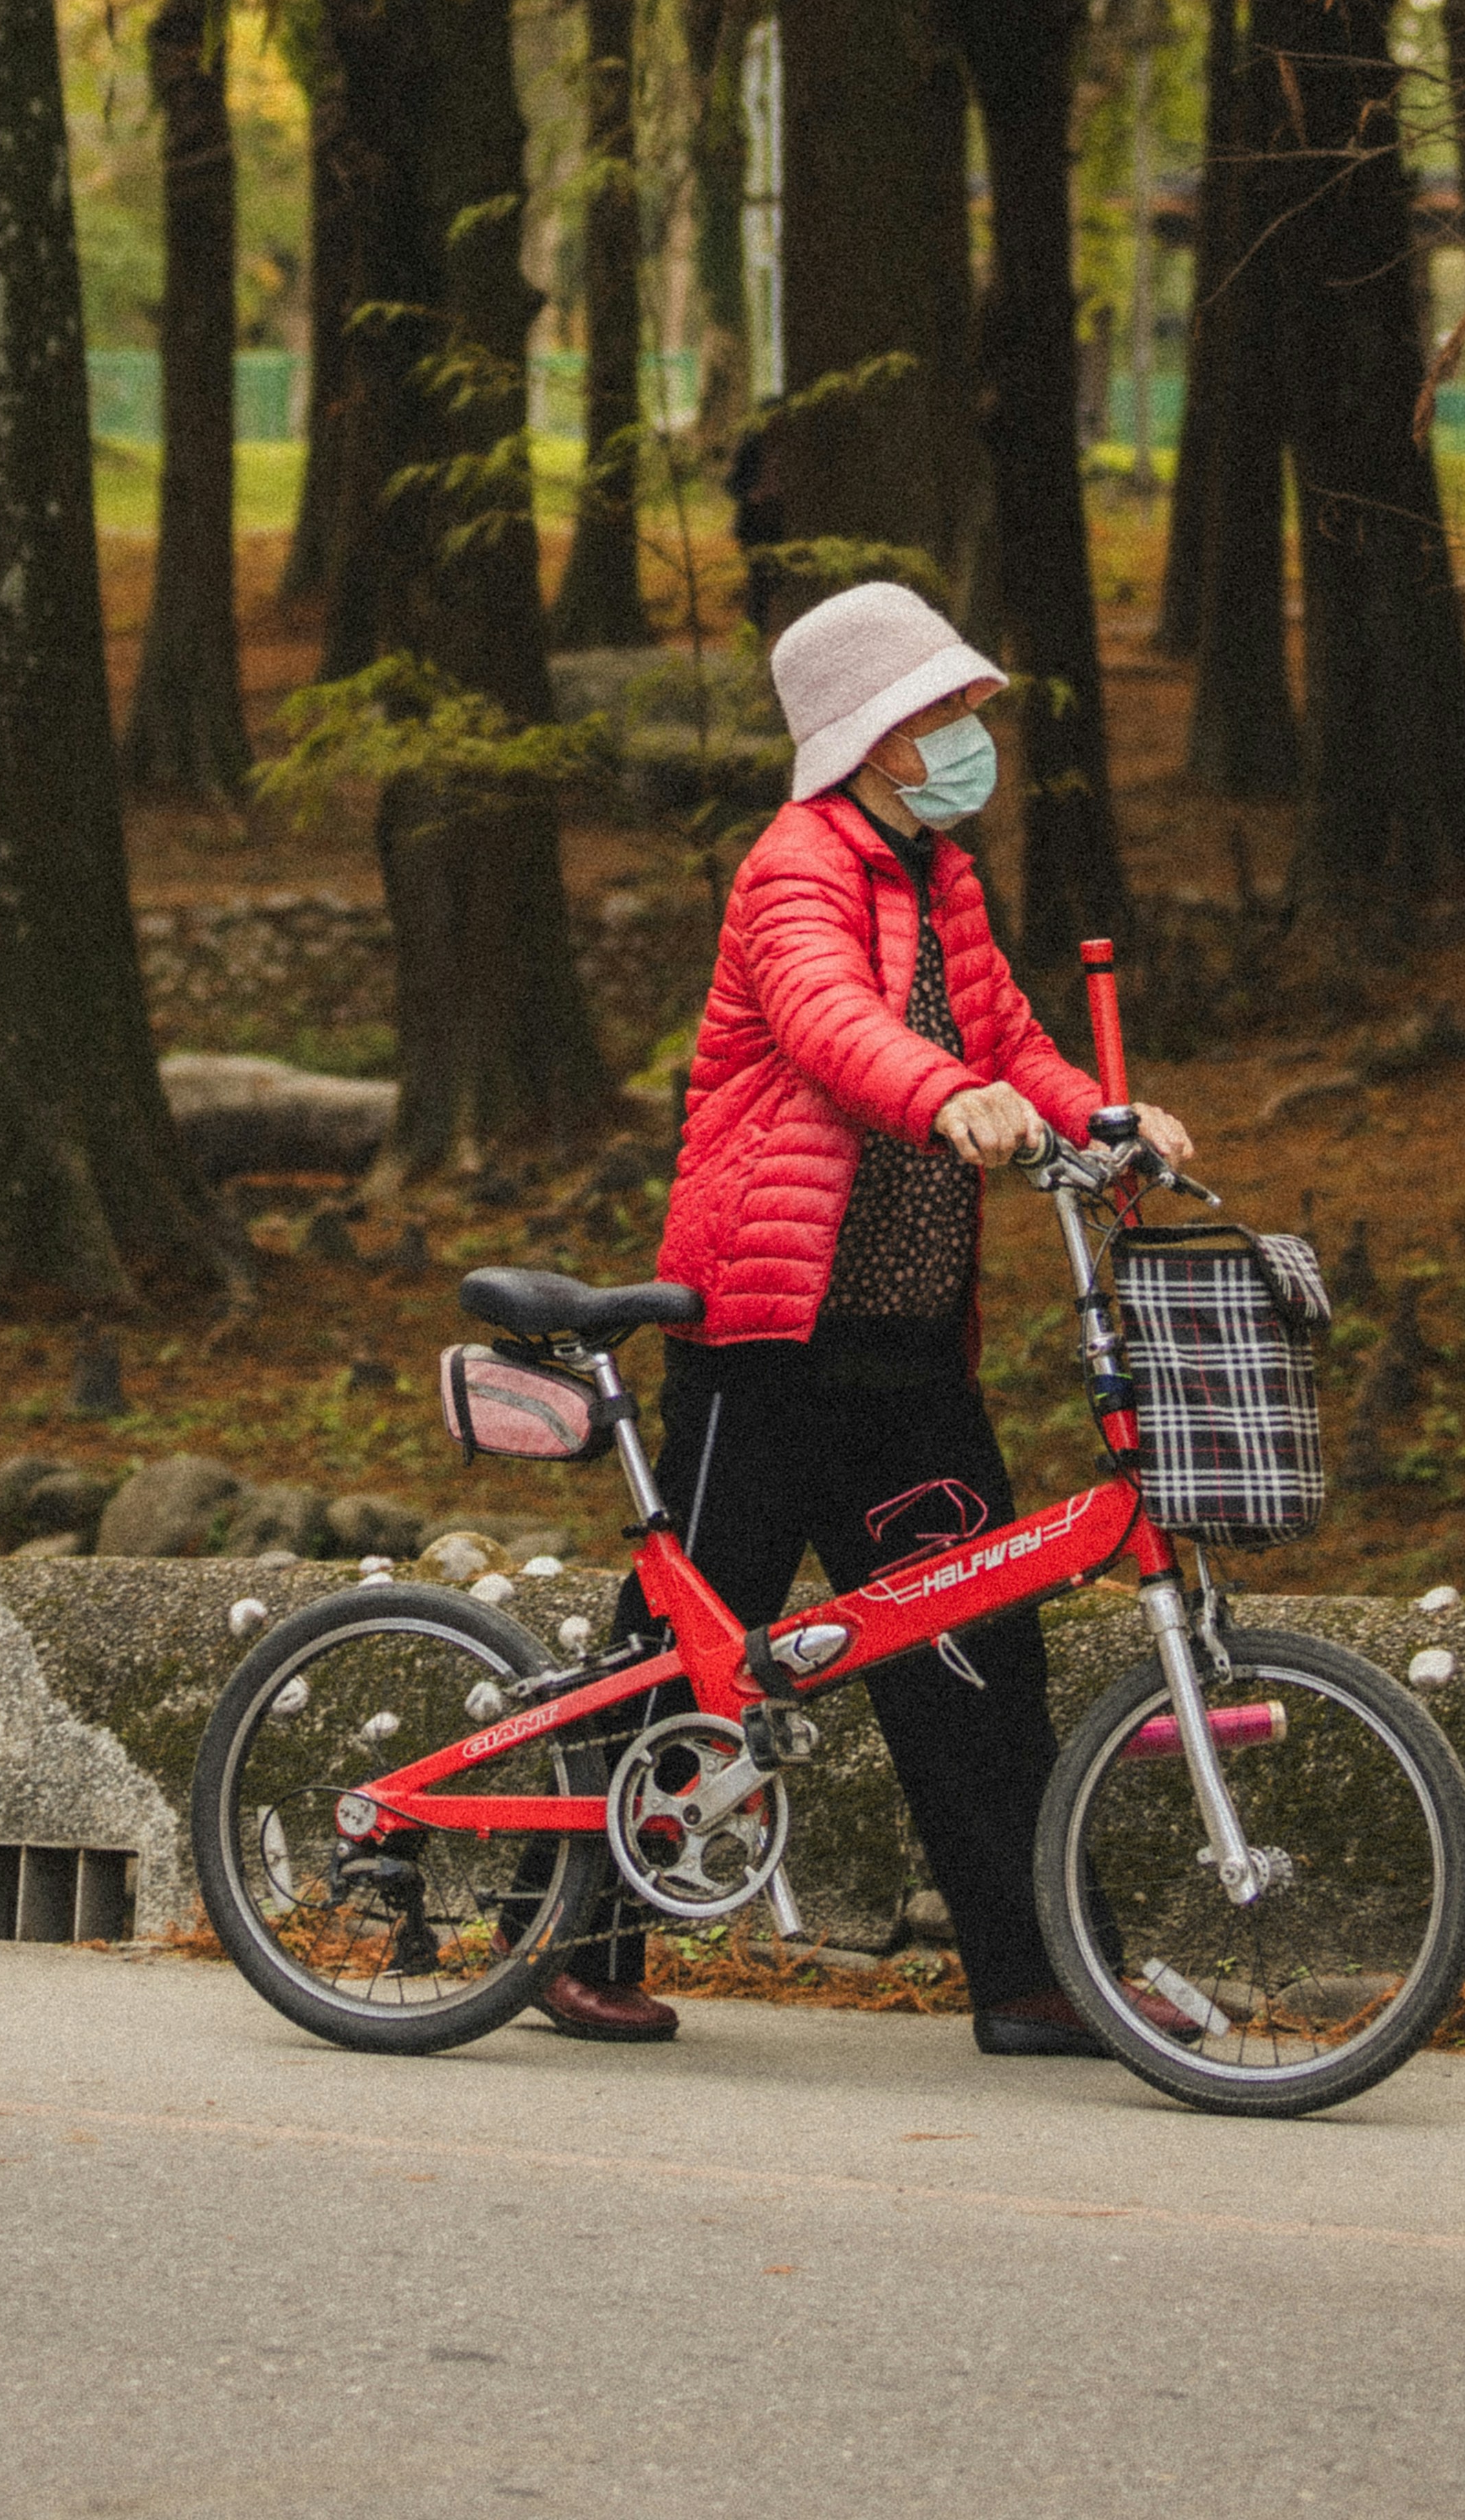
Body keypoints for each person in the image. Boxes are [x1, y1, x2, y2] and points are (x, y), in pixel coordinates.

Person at [541, 574, 1197, 2055]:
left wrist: (1101, 1116)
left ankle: (1034, 1976)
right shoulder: (793, 868)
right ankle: (569, 1935)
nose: (971, 731)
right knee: (682, 1637)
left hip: (903, 1341)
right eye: (945, 710)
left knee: (978, 1652)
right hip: (767, 1330)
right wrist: (941, 1091)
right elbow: (832, 1025)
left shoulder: (940, 877)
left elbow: (1010, 1035)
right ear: (877, 735)